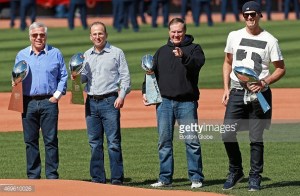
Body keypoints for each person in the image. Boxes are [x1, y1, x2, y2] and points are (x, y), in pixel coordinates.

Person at [221, 1, 286, 191]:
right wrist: (225, 88)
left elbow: (280, 69)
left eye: (253, 14)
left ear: (260, 15)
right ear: (242, 16)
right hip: (236, 90)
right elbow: (227, 63)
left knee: (255, 137)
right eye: (246, 14)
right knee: (227, 133)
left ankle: (255, 176)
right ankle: (235, 170)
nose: (250, 17)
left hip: (259, 94)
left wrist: (264, 82)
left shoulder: (271, 40)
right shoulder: (234, 36)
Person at [142, 17, 205, 189]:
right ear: (169, 32)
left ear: (184, 32)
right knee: (164, 142)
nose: (176, 35)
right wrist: (145, 92)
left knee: (191, 141)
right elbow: (151, 74)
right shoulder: (161, 51)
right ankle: (165, 178)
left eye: (179, 31)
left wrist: (183, 55)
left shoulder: (194, 49)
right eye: (173, 31)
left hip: (187, 102)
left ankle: (196, 177)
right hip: (164, 103)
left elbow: (198, 64)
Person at [73, 21, 131, 184]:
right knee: (94, 143)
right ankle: (98, 179)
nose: (98, 36)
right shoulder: (86, 55)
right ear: (90, 37)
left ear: (106, 35)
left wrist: (121, 96)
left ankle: (117, 178)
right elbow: (84, 78)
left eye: (100, 33)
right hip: (91, 102)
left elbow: (125, 77)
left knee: (113, 142)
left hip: (110, 101)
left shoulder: (116, 52)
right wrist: (76, 78)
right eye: (95, 34)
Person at [13, 22, 68, 179]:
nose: (38, 38)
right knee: (30, 142)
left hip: (48, 102)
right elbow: (16, 75)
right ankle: (33, 176)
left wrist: (56, 96)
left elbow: (63, 76)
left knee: (50, 141)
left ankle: (51, 176)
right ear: (30, 36)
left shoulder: (55, 53)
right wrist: (14, 83)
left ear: (46, 36)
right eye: (35, 35)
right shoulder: (21, 55)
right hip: (27, 102)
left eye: (42, 35)